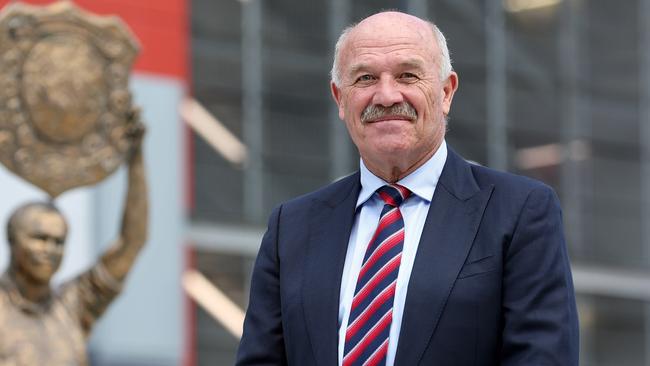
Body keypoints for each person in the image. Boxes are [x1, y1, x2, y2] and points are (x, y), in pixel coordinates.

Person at [236, 11, 579, 366]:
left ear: (446, 92)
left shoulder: (520, 212)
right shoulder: (292, 227)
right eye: (366, 78)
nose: (385, 95)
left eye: (407, 75)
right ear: (340, 98)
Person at [0, 122, 147, 366]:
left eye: (59, 242)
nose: (50, 250)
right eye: (40, 238)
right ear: (13, 240)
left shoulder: (73, 306)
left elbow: (131, 244)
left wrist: (136, 159)